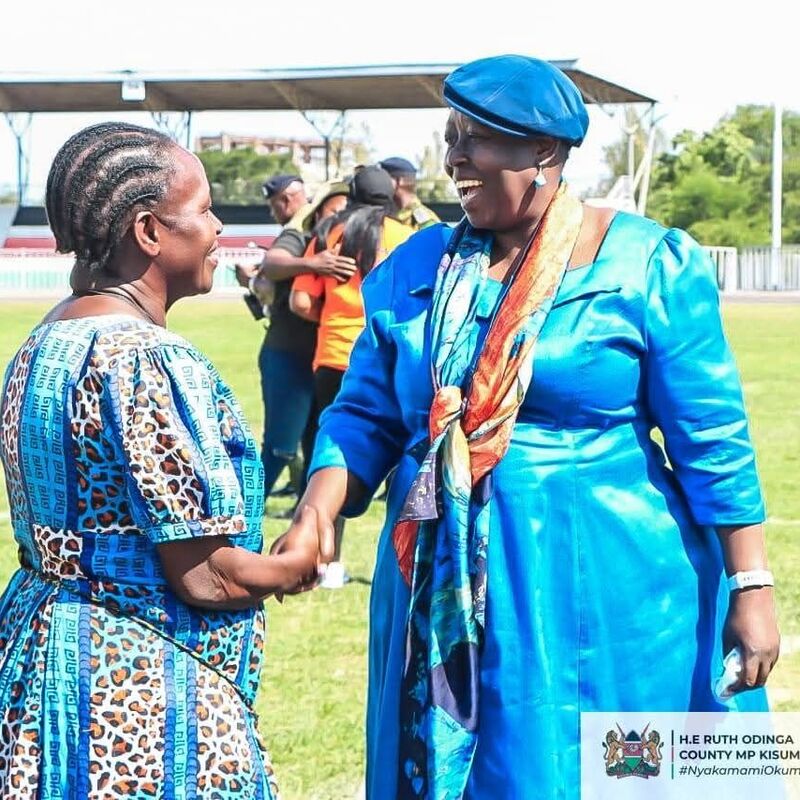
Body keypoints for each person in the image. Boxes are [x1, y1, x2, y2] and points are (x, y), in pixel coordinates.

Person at [276, 55, 780, 798]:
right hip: (441, 586)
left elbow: (714, 439)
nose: (455, 158)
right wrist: (318, 508)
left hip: (609, 585)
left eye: (476, 139)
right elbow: (364, 413)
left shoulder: (643, 263)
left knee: (616, 772)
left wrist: (752, 584)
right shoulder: (418, 268)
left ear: (543, 151)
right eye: (451, 137)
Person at [0, 122, 322, 798]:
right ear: (148, 231)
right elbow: (206, 577)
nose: (217, 228)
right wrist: (294, 564)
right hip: (135, 698)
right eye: (203, 209)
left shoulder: (44, 341)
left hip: (40, 668)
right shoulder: (147, 360)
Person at [289, 166, 412, 588]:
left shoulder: (328, 234)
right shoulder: (405, 237)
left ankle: (329, 563)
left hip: (333, 356)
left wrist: (331, 317)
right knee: (399, 466)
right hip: (385, 359)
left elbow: (300, 300)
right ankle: (397, 563)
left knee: (336, 460)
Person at [235, 175, 355, 508]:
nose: (340, 217)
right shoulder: (300, 236)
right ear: (319, 211)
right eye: (334, 210)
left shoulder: (347, 241)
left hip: (322, 361)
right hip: (288, 355)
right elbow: (274, 263)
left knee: (317, 444)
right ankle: (241, 515)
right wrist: (312, 263)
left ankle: (304, 518)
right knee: (280, 447)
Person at [378, 156, 440, 232]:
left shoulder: (425, 221)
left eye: (384, 179)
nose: (380, 183)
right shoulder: (380, 211)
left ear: (400, 181)